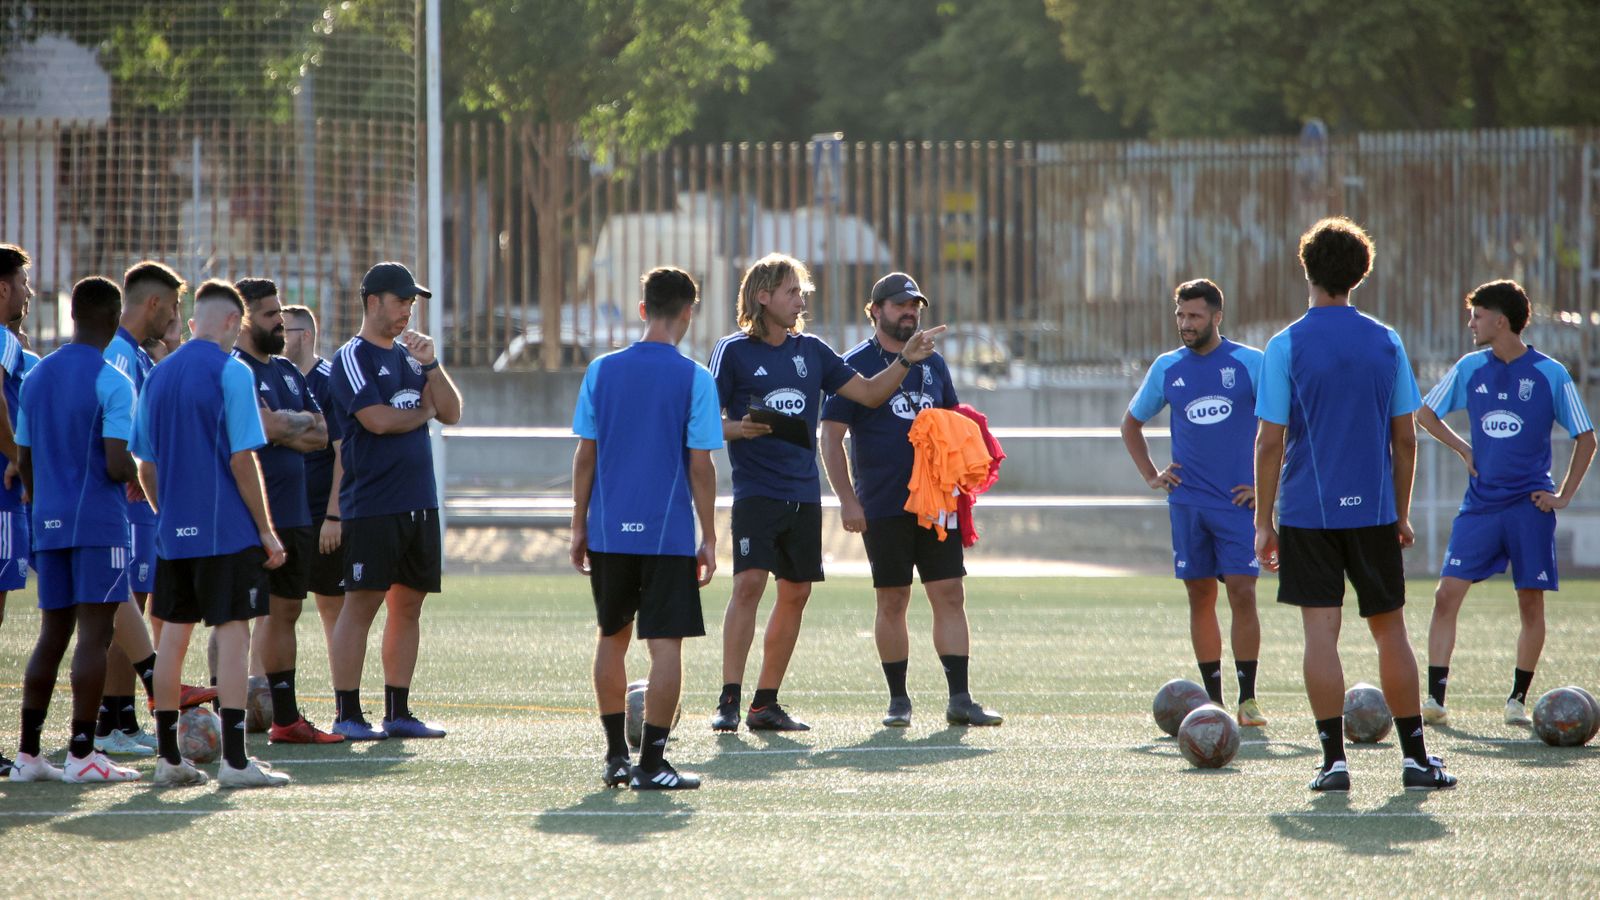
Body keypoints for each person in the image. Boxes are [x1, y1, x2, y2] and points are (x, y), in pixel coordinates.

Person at [706, 252, 946, 733]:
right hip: (756, 492)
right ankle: (728, 699)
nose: (801, 301)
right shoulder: (732, 351)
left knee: (795, 593)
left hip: (803, 495)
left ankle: (764, 703)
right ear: (763, 297)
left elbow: (872, 394)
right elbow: (704, 424)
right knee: (749, 585)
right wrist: (741, 429)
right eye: (793, 292)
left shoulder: (813, 351)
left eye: (801, 293)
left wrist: (904, 360)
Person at [1255, 217, 1454, 793]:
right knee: (1390, 633)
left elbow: (1269, 441)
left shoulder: (1284, 343)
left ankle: (1333, 764)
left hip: (1305, 515)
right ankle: (1416, 762)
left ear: (1307, 269)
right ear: (1360, 274)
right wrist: (1400, 512)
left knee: (1321, 636)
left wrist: (1263, 522)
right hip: (1372, 514)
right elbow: (1407, 438)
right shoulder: (1386, 340)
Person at [820, 272, 1002, 729]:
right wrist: (847, 499)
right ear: (875, 310)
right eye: (900, 305)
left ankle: (960, 698)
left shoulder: (934, 364)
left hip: (936, 501)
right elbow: (832, 436)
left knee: (949, 594)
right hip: (882, 502)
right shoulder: (854, 363)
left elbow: (952, 422)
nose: (910, 312)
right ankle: (898, 699)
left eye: (915, 305)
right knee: (893, 599)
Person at [132, 278, 290, 788]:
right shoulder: (232, 371)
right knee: (234, 632)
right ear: (232, 324)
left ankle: (167, 757)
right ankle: (236, 761)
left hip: (173, 534)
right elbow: (243, 458)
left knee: (172, 638)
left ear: (195, 321)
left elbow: (146, 466)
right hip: (226, 534)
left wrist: (169, 512)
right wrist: (266, 531)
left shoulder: (157, 375)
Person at [1417, 279, 1595, 726]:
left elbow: (1586, 437)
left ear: (1501, 320)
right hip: (1479, 506)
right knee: (1445, 595)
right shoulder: (1469, 368)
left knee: (1530, 605)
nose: (1470, 323)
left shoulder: (1550, 373)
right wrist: (1463, 448)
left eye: (1477, 315)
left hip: (1528, 508)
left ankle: (1516, 699)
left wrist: (1563, 496)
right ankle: (1435, 700)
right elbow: (1425, 413)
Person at [571, 267, 719, 790]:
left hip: (609, 532)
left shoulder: (601, 371)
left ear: (642, 310)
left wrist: (577, 527)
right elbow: (701, 465)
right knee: (666, 648)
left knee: (611, 639)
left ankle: (615, 757)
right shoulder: (696, 378)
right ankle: (652, 764)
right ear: (688, 313)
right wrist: (710, 535)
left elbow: (584, 456)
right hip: (666, 535)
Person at [9, 276, 142, 783]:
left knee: (52, 634)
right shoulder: (113, 379)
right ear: (112, 320)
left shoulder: (38, 376)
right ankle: (83, 754)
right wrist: (144, 476)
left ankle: (27, 755)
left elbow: (25, 459)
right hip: (98, 524)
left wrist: (46, 511)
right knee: (95, 634)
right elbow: (114, 462)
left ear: (73, 317)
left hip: (48, 521)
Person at [1121, 278, 1267, 727]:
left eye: (1195, 316)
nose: (1186, 324)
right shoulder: (1167, 367)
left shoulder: (1251, 364)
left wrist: (1267, 491)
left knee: (1243, 593)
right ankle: (1214, 700)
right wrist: (1152, 475)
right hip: (1188, 505)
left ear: (1217, 317)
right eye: (1181, 315)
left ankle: (1248, 698)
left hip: (1238, 505)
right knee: (1199, 596)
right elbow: (1131, 424)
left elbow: (1289, 428)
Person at [326, 262, 462, 740]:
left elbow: (452, 412)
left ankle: (398, 712)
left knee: (409, 606)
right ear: (373, 302)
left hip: (418, 502)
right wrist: (422, 411)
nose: (408, 310)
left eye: (411, 302)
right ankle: (347, 713)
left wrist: (431, 366)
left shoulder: (412, 357)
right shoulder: (352, 356)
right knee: (360, 605)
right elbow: (377, 420)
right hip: (373, 504)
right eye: (401, 300)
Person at [97, 261, 214, 760]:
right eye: (172, 305)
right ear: (153, 304)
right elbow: (113, 425)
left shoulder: (140, 357)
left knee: (133, 605)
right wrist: (125, 471)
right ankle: (112, 718)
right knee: (118, 603)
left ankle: (120, 717)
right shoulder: (120, 356)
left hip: (141, 500)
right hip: (127, 500)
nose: (176, 314)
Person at [231, 280, 342, 744]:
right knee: (234, 616)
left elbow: (319, 433)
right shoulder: (236, 371)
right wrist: (280, 424)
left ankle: (285, 717)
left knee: (286, 612)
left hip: (294, 515)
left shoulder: (287, 373)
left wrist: (280, 426)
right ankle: (230, 715)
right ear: (242, 320)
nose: (280, 321)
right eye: (269, 314)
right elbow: (266, 425)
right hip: (248, 516)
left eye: (280, 312)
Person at [281, 304, 346, 682]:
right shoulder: (275, 377)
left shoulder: (329, 380)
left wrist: (334, 516)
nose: (278, 335)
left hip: (321, 517)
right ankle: (264, 699)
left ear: (305, 336)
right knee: (274, 611)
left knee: (331, 608)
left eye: (285, 330)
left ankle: (344, 700)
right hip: (282, 516)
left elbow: (342, 452)